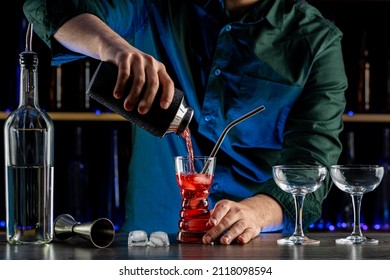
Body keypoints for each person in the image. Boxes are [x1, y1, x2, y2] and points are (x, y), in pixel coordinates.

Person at [23, 0, 347, 245]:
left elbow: (310, 165)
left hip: (250, 244)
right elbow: (51, 6)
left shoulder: (316, 40)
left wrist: (255, 213)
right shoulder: (158, 4)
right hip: (149, 240)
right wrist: (114, 48)